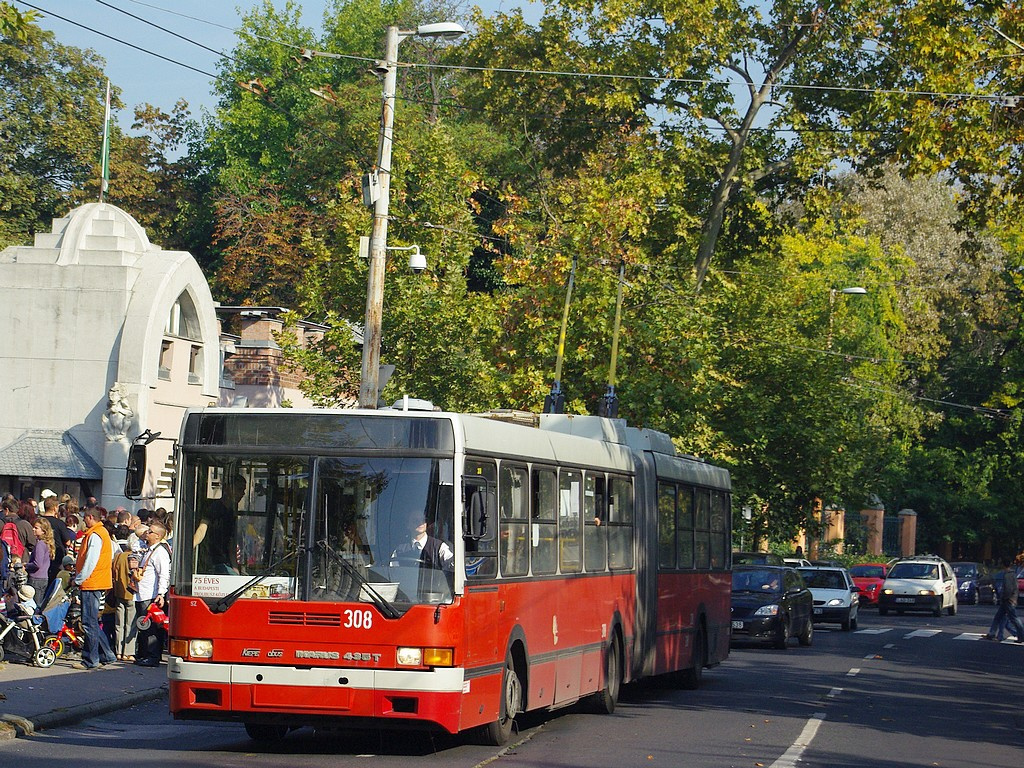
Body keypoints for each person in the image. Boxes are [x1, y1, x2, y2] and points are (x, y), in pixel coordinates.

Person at [73, 507, 118, 669]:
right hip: (97, 581)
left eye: (85, 517)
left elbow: (90, 562)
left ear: (91, 517)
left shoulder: (95, 534)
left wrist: (78, 579)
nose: (83, 521)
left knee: (89, 623)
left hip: (92, 582)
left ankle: (90, 660)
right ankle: (107, 655)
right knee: (92, 622)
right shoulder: (101, 533)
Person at [133, 520, 171, 667]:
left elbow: (164, 574)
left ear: (158, 536)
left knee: (151, 629)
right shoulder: (149, 550)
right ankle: (145, 654)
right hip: (142, 594)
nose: (146, 533)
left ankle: (152, 656)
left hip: (151, 595)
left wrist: (161, 593)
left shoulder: (160, 552)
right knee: (144, 627)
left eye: (150, 531)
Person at [193, 474, 245, 574]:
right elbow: (202, 529)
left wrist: (236, 570)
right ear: (228, 488)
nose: (242, 494)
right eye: (239, 489)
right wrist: (190, 548)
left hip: (224, 562)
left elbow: (231, 545)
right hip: (211, 563)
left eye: (243, 490)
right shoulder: (215, 508)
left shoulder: (231, 513)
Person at [390, 510, 454, 571]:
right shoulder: (400, 550)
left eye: (423, 520)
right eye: (415, 520)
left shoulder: (439, 546)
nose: (420, 523)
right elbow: (393, 571)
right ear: (408, 525)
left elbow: (452, 564)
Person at [109, 536, 137, 661]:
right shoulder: (135, 557)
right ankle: (128, 652)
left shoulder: (118, 556)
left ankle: (118, 651)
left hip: (119, 592)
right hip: (132, 593)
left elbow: (113, 572)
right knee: (130, 624)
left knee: (119, 624)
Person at [983, 561, 1024, 643]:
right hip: (1010, 599)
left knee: (1014, 619)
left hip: (1008, 600)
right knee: (998, 617)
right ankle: (992, 633)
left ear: (1003, 565)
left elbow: (1008, 589)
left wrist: (1005, 598)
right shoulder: (1013, 574)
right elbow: (1016, 587)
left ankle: (1021, 635)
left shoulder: (1007, 575)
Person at [41, 495, 74, 582]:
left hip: (40, 557)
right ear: (55, 508)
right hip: (56, 557)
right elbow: (67, 542)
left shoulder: (38, 521)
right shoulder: (59, 523)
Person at [26, 517, 54, 597]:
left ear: (43, 531)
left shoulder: (40, 544)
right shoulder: (47, 543)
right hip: (44, 578)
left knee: (35, 605)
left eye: (36, 528)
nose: (33, 529)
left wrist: (26, 565)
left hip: (36, 579)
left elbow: (37, 564)